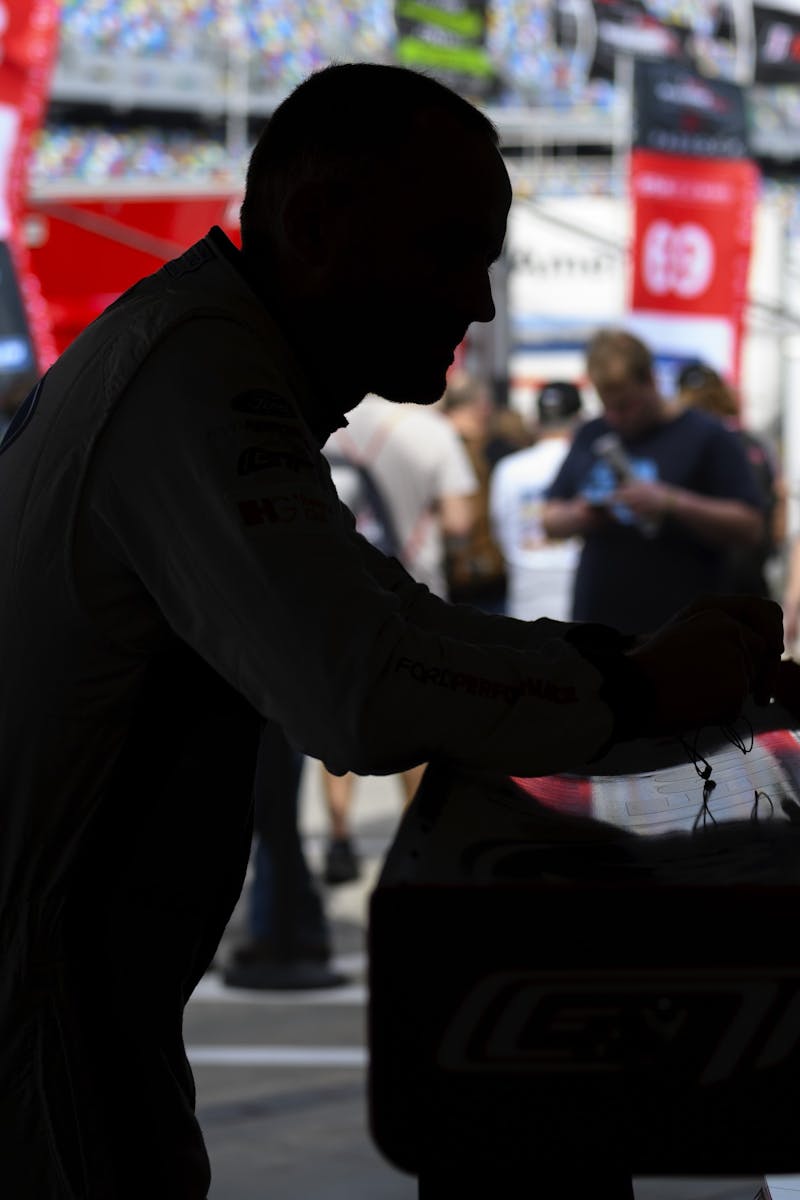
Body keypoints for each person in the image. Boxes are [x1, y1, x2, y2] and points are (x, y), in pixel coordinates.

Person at [0, 62, 784, 1200]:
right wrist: (636, 694)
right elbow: (357, 689)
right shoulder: (200, 375)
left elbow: (386, 619)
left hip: (75, 990)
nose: (478, 302)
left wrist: (619, 664)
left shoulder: (206, 353)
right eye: (449, 249)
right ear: (317, 226)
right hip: (41, 1003)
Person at [319, 391, 478, 883]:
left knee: (336, 722)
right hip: (413, 598)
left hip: (334, 598)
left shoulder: (321, 423)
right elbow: (459, 522)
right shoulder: (433, 432)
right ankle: (413, 838)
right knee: (417, 721)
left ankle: (340, 840)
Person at [541, 328, 767, 635]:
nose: (617, 418)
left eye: (626, 405)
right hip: (598, 629)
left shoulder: (707, 435)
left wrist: (672, 502)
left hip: (682, 633)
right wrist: (583, 514)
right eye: (608, 407)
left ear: (650, 379)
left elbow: (751, 527)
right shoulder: (592, 433)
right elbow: (550, 519)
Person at [222, 719, 348, 990]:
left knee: (274, 815)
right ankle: (288, 930)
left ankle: (280, 933)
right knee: (275, 821)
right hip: (276, 712)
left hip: (274, 712)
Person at [675, 359, 784, 599]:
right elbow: (778, 505)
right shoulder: (753, 443)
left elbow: (778, 499)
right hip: (741, 579)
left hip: (717, 580)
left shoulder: (707, 443)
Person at [489, 379, 584, 621]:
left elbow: (500, 528)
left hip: (526, 583)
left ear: (536, 421)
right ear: (580, 418)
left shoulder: (509, 468)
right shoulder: (585, 464)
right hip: (578, 580)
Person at [439, 370, 514, 614]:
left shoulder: (431, 443)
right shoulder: (499, 449)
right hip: (486, 574)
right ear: (482, 406)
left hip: (444, 576)